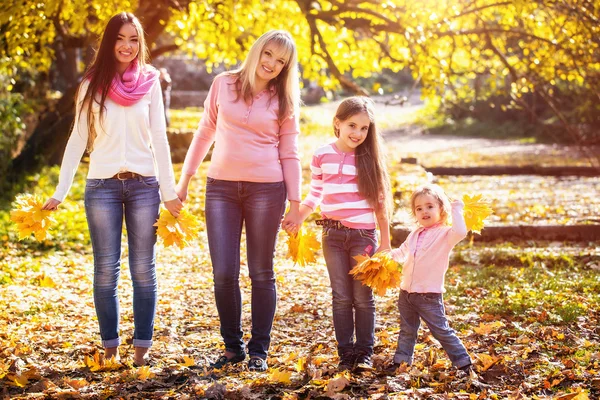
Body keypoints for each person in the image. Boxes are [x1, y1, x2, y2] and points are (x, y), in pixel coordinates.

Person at [42, 12, 182, 366]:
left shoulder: (150, 82)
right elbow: (77, 138)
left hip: (144, 187)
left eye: (134, 39)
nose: (127, 46)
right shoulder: (91, 84)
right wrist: (60, 190)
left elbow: (160, 140)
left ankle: (142, 348)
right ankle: (110, 346)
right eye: (120, 38)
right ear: (109, 41)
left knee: (143, 269)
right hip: (101, 185)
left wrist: (169, 191)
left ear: (141, 44)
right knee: (105, 269)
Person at [175, 30, 302, 372]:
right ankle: (233, 348)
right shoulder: (223, 84)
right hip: (221, 189)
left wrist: (295, 202)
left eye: (281, 61)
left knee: (261, 271)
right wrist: (184, 181)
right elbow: (205, 131)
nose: (272, 64)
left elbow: (289, 153)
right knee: (224, 273)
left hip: (267, 189)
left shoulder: (284, 101)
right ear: (257, 50)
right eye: (269, 54)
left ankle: (259, 350)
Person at [284, 96, 392, 372]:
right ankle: (346, 351)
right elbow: (315, 194)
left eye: (364, 128)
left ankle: (364, 351)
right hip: (332, 236)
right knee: (341, 296)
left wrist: (386, 241)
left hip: (362, 236)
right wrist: (297, 216)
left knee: (362, 296)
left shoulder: (369, 157)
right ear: (338, 123)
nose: (357, 133)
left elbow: (380, 204)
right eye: (352, 126)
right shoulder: (322, 154)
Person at [389, 184, 473, 373]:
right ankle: (401, 362)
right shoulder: (414, 234)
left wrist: (457, 209)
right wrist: (384, 257)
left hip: (429, 295)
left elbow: (460, 232)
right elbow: (401, 253)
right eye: (419, 209)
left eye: (429, 206)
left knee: (441, 330)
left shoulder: (445, 234)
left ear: (441, 209)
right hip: (407, 294)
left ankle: (463, 363)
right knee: (407, 330)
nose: (424, 211)